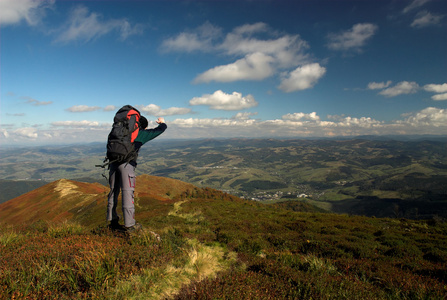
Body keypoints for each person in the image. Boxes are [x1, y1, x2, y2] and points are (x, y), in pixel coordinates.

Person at [107, 116, 167, 232]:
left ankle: (112, 220)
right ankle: (130, 225)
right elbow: (159, 130)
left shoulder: (117, 132)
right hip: (127, 165)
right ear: (142, 126)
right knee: (127, 193)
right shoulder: (139, 133)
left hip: (113, 163)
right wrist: (162, 123)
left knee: (113, 192)